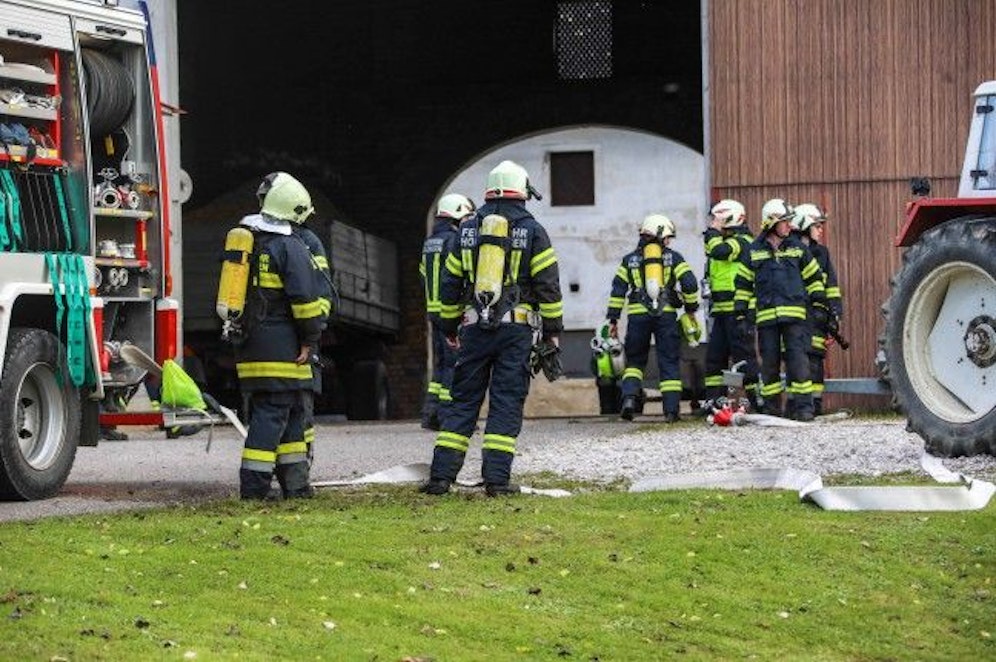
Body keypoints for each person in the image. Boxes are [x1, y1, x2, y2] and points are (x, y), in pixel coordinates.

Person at [420, 160, 563, 496]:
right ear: (523, 192)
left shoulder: (467, 230)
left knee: (463, 400)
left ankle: (441, 477)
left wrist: (448, 325)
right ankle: (497, 481)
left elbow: (449, 282)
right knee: (506, 401)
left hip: (473, 329)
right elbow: (548, 286)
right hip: (516, 332)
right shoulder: (534, 230)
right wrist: (553, 330)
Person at [232, 171, 326, 500]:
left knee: (291, 414)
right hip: (282, 349)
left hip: (251, 345)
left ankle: (296, 485)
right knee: (272, 414)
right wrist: (311, 339)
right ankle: (254, 488)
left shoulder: (248, 242)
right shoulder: (290, 247)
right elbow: (305, 301)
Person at [734, 199, 826, 421]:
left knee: (798, 362)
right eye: (784, 221)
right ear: (771, 222)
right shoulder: (753, 251)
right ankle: (772, 410)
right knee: (770, 365)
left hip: (795, 318)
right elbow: (743, 285)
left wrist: (820, 306)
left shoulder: (798, 249)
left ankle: (804, 409)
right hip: (766, 319)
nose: (789, 225)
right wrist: (741, 315)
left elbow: (814, 278)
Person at [606, 213, 699, 422]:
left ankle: (629, 400)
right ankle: (671, 411)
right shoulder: (674, 258)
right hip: (666, 316)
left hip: (637, 317)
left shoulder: (628, 260)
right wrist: (690, 308)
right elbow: (690, 283)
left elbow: (618, 291)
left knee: (635, 362)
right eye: (667, 237)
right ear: (660, 235)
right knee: (668, 361)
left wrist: (613, 319)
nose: (668, 241)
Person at [419, 193, 476, 431]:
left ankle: (432, 414)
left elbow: (424, 275)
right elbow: (455, 278)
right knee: (455, 365)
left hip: (433, 312)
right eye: (466, 215)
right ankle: (449, 418)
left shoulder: (429, 243)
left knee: (441, 365)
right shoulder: (454, 241)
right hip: (450, 313)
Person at [701, 199, 761, 409]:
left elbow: (720, 251)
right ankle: (715, 402)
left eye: (716, 219)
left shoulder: (743, 241)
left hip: (739, 312)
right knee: (715, 359)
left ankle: (758, 401)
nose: (712, 223)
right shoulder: (723, 242)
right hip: (720, 311)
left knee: (744, 359)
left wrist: (713, 231)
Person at [791, 203, 843, 416]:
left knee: (816, 358)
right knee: (796, 358)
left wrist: (835, 315)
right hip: (796, 314)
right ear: (804, 225)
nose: (821, 230)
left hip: (818, 314)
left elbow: (831, 285)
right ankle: (797, 405)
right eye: (817, 225)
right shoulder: (790, 250)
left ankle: (816, 405)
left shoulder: (822, 252)